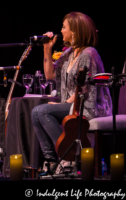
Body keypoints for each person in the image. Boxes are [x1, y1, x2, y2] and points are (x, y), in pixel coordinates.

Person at [31, 12, 112, 174]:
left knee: (42, 111)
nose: (61, 31)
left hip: (90, 106)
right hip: (73, 104)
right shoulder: (69, 53)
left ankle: (67, 159)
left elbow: (85, 89)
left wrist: (64, 104)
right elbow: (50, 76)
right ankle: (52, 160)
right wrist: (47, 49)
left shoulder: (88, 54)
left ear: (74, 31)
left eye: (64, 27)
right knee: (36, 113)